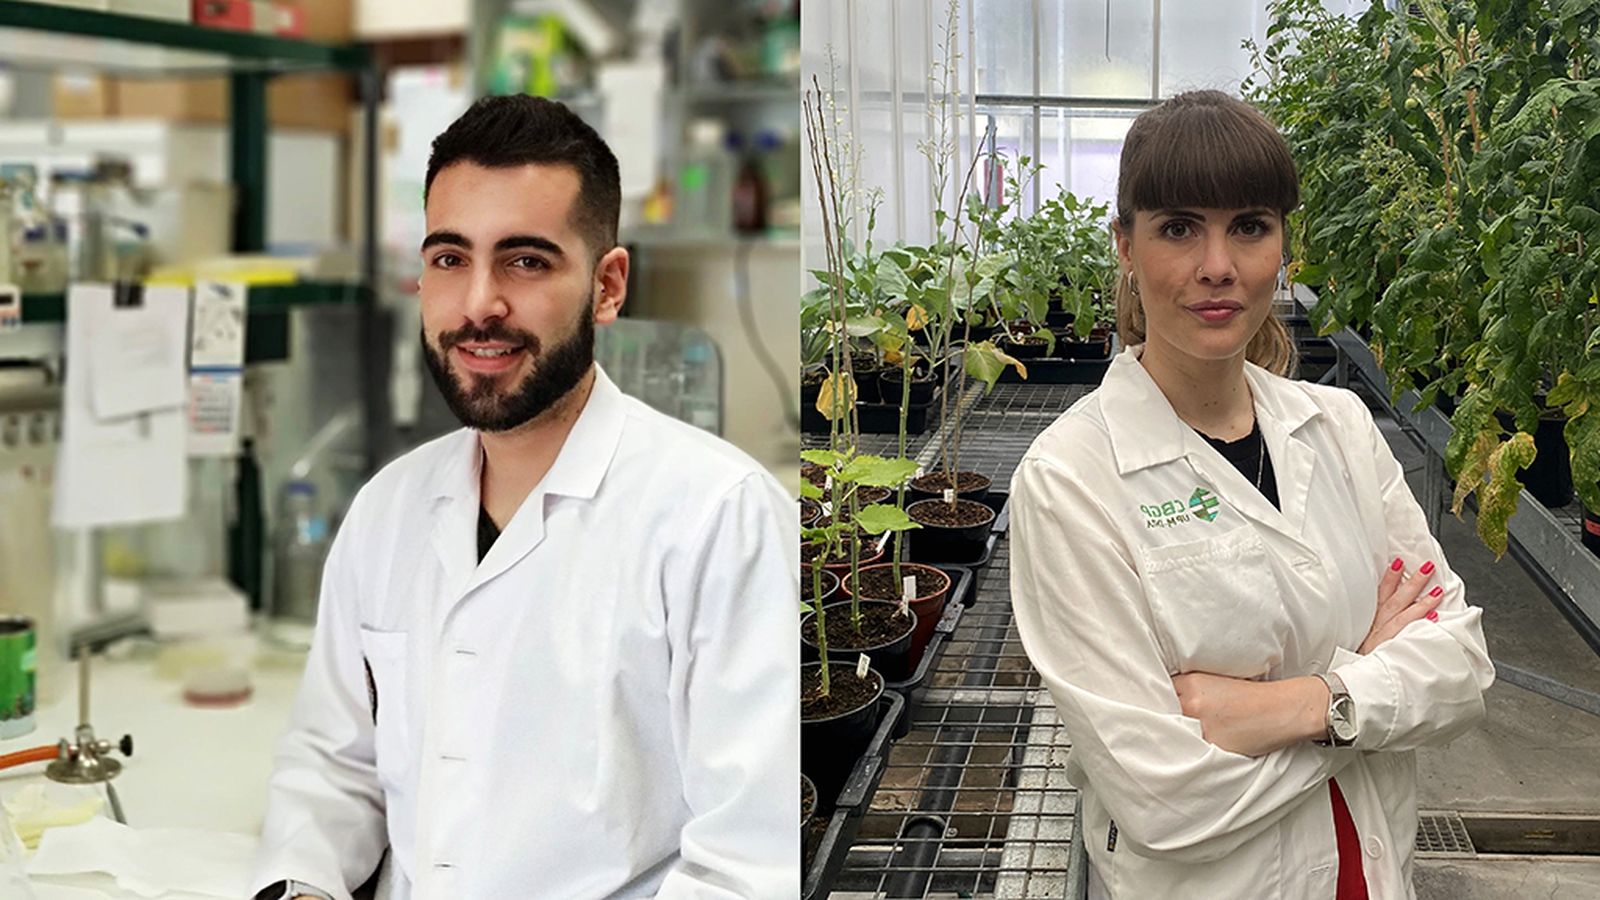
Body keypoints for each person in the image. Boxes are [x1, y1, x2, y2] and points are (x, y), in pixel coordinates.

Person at [250, 95, 799, 900]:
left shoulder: (719, 517)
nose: (479, 304)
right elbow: (335, 764)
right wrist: (302, 886)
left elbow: (746, 864)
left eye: (526, 260)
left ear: (608, 287)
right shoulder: (387, 509)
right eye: (449, 259)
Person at [1009, 90, 1494, 900]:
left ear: (1282, 246)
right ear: (1124, 246)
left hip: (1375, 873)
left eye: (1249, 225)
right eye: (1177, 227)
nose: (1217, 266)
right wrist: (1372, 681)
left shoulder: (1337, 426)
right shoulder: (1071, 481)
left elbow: (1462, 670)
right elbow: (1162, 798)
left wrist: (1298, 706)